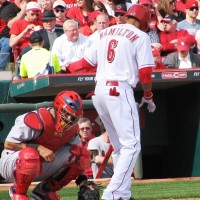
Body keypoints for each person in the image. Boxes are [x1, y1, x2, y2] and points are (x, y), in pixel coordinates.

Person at [72, 4, 156, 199]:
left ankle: (123, 194)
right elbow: (145, 73)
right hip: (119, 89)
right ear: (144, 21)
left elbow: (86, 63)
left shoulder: (106, 31)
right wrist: (149, 95)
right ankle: (113, 193)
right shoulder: (141, 36)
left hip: (100, 90)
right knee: (132, 145)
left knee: (119, 147)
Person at [0, 90, 91, 200]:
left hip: (41, 165)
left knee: (82, 154)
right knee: (30, 155)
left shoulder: (72, 129)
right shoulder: (37, 118)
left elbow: (79, 157)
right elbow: (8, 144)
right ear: (58, 109)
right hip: (11, 164)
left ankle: (44, 191)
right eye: (67, 114)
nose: (70, 120)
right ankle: (18, 191)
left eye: (74, 118)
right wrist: (37, 147)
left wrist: (84, 182)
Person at [0, 0, 28, 69]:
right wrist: (23, 12)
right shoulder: (8, 8)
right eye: (20, 0)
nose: (23, 2)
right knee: (7, 43)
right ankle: (1, 69)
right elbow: (11, 25)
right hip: (7, 36)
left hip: (23, 36)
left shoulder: (31, 8)